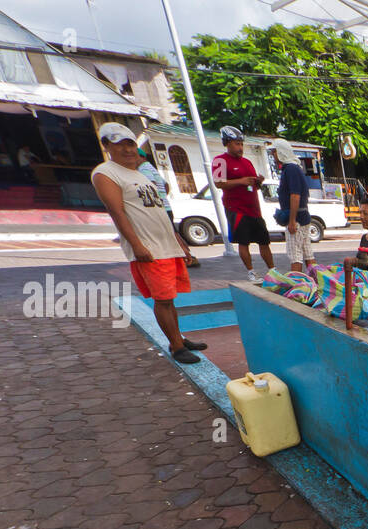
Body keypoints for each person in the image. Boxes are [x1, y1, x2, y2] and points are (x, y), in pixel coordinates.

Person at [91, 122, 205, 365]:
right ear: (107, 145)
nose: (128, 149)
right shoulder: (105, 173)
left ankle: (180, 338)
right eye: (119, 144)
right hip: (149, 249)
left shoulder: (140, 175)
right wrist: (138, 246)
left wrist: (179, 242)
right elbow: (117, 212)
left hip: (166, 245)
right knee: (162, 299)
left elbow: (160, 211)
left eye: (130, 144)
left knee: (169, 297)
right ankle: (176, 346)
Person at [212, 125, 273, 282]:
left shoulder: (247, 162)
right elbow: (218, 183)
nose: (240, 147)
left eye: (241, 144)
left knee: (264, 241)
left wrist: (258, 182)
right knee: (243, 242)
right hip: (237, 209)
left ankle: (272, 270)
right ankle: (251, 271)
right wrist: (240, 181)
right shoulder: (220, 161)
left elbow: (254, 185)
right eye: (236, 144)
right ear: (227, 143)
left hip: (254, 209)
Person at [272, 138, 315, 271]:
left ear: (280, 152)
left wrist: (291, 220)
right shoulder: (293, 168)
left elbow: (295, 195)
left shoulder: (290, 169)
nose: (273, 156)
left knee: (295, 254)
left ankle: (298, 285)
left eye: (274, 152)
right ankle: (318, 281)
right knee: (307, 252)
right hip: (302, 216)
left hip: (297, 219)